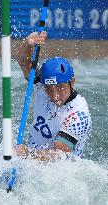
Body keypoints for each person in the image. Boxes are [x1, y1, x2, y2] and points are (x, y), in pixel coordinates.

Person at [16, 31, 92, 161]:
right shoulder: (42, 85)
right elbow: (24, 63)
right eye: (49, 89)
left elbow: (58, 157)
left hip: (57, 175)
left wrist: (26, 153)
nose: (55, 95)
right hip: (29, 161)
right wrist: (27, 45)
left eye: (60, 87)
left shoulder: (78, 115)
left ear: (72, 82)